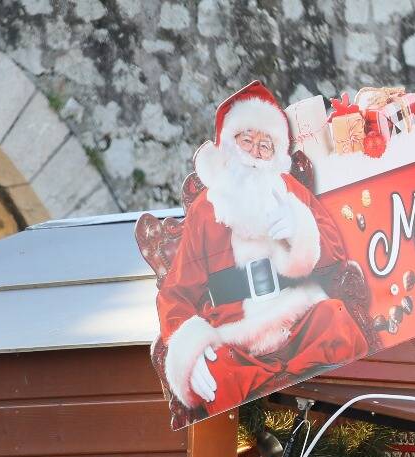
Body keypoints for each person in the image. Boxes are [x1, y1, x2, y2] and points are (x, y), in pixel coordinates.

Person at [154, 81, 368, 421]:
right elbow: (177, 292)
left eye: (265, 145)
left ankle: (342, 418)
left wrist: (301, 230)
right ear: (228, 146)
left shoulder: (288, 190)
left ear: (276, 153)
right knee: (216, 372)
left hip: (296, 315)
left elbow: (335, 252)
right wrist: (189, 352)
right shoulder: (207, 209)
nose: (255, 153)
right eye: (246, 141)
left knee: (336, 320)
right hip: (236, 332)